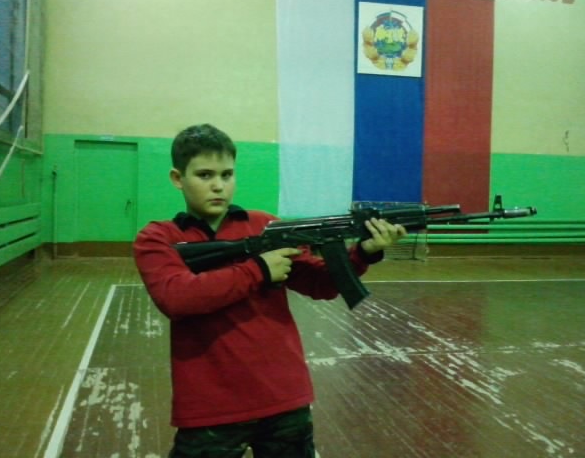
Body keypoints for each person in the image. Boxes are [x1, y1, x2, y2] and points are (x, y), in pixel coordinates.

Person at [133, 123, 406, 458]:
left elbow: (321, 284)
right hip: (210, 407)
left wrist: (363, 252)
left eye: (227, 174)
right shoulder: (159, 238)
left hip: (284, 397)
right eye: (204, 175)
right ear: (178, 178)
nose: (218, 185)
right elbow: (177, 297)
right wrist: (259, 270)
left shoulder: (265, 225)